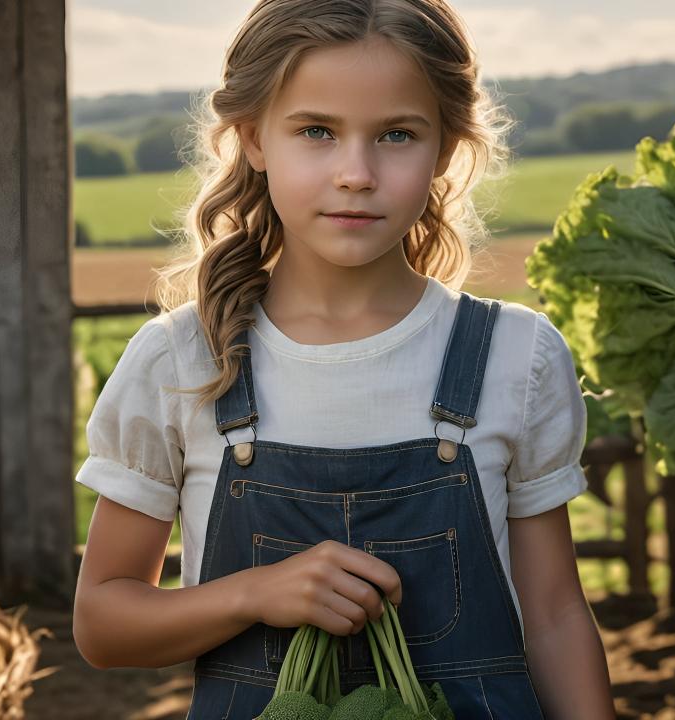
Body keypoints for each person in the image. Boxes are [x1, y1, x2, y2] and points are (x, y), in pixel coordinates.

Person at [72, 1, 615, 717]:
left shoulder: (516, 358)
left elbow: (553, 617)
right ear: (254, 139)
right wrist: (253, 593)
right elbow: (103, 624)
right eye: (317, 132)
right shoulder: (182, 363)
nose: (356, 172)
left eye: (396, 134)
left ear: (447, 149)